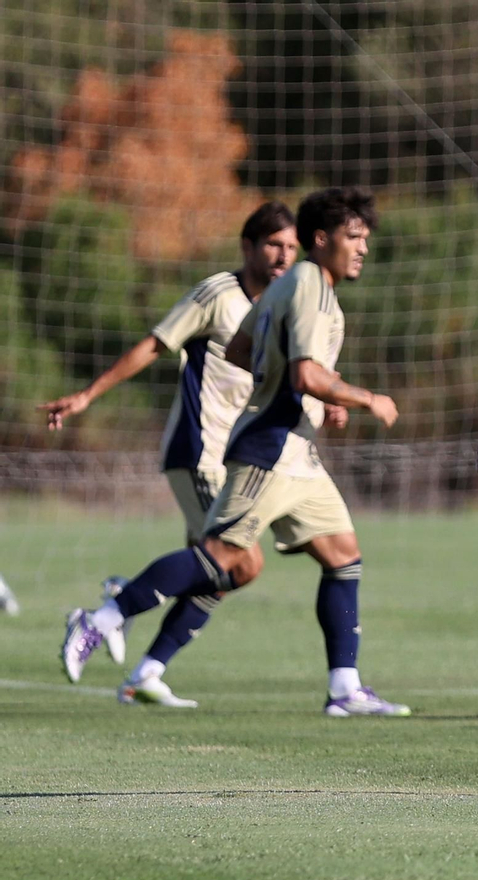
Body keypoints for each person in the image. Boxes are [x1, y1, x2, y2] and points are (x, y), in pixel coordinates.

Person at [60, 187, 409, 717]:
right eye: (354, 237)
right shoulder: (309, 284)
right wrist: (364, 398)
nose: (363, 248)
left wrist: (306, 390)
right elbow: (304, 372)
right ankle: (105, 616)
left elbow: (242, 349)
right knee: (226, 558)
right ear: (324, 239)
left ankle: (344, 689)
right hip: (270, 449)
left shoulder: (286, 286)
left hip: (297, 451)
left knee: (342, 555)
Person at [42, 202, 302, 707]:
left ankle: (145, 669)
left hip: (239, 456)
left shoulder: (282, 306)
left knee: (214, 573)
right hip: (199, 448)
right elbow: (153, 345)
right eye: (274, 244)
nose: (283, 255)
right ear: (248, 247)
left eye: (291, 246)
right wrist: (88, 395)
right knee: (243, 562)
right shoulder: (216, 295)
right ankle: (100, 619)